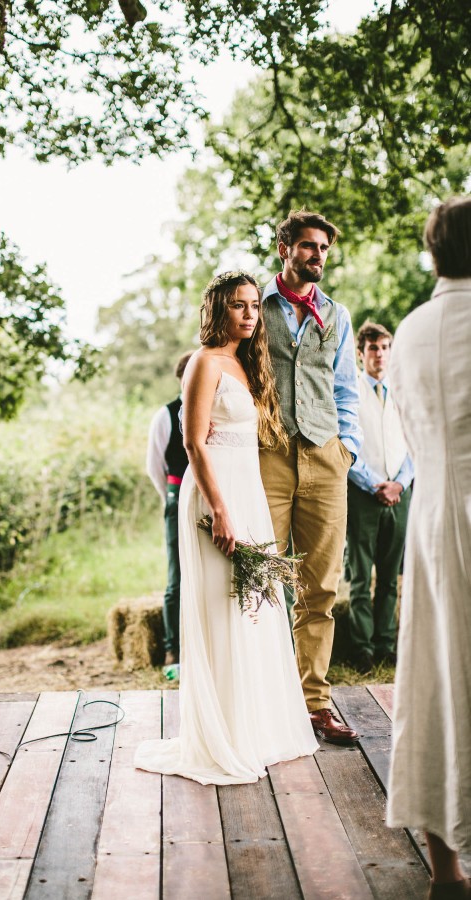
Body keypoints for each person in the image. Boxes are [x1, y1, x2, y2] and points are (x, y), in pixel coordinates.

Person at [135, 271, 318, 784]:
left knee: (254, 609)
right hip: (214, 494)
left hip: (248, 490)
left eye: (255, 306)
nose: (249, 315)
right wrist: (220, 509)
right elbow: (194, 443)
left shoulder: (242, 362)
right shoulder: (203, 363)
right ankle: (224, 734)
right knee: (222, 605)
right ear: (217, 309)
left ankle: (255, 727)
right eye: (238, 305)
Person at [387, 196, 471, 899]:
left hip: (433, 519)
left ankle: (446, 870)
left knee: (436, 680)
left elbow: (413, 437)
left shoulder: (409, 331)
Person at [260, 209, 363, 746]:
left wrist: (348, 449)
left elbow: (346, 387)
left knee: (320, 587)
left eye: (322, 248)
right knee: (261, 583)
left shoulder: (337, 315)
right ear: (285, 249)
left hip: (326, 457)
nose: (316, 256)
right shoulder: (254, 305)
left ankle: (315, 703)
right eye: (307, 246)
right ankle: (261, 702)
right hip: (269, 455)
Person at [346, 321, 413, 674]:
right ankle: (362, 648)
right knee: (360, 575)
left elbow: (415, 439)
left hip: (400, 492)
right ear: (361, 353)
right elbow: (347, 446)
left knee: (390, 576)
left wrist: (400, 483)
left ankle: (386, 644)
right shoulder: (351, 391)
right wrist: (374, 484)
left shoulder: (402, 391)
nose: (380, 354)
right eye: (373, 348)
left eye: (385, 348)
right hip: (363, 492)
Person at [146, 351, 192, 677]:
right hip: (177, 497)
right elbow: (154, 467)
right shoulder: (166, 415)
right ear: (181, 377)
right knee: (176, 577)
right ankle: (172, 649)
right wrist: (171, 499)